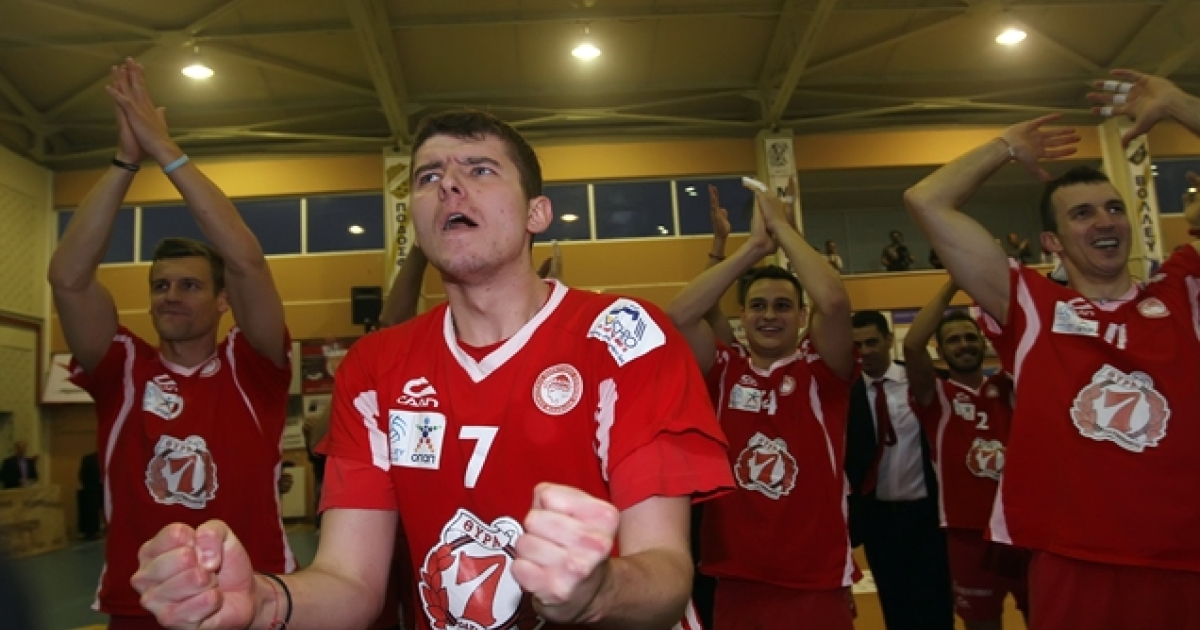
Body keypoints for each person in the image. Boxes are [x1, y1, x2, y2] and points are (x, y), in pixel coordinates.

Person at [131, 109, 734, 630]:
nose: (449, 185)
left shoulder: (624, 338)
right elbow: (351, 581)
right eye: (428, 177)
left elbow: (667, 574)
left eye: (480, 169)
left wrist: (597, 590)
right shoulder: (375, 368)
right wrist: (263, 600)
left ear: (537, 213)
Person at [902, 69, 1200, 629]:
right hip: (1070, 557)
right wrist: (1004, 147)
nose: (1104, 221)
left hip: (1185, 557)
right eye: (1082, 214)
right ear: (1052, 242)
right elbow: (926, 199)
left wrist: (1181, 105)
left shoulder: (1182, 291)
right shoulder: (1032, 304)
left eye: (1113, 208)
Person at [47, 58, 294, 628]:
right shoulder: (123, 368)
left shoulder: (252, 367)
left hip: (255, 597)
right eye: (160, 286)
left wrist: (166, 152)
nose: (171, 297)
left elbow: (247, 261)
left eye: (189, 285)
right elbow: (68, 279)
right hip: (143, 607)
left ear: (222, 299)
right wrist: (124, 161)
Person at [667, 180, 856, 628]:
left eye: (783, 306)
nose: (770, 315)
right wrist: (751, 249)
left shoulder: (821, 370)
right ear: (743, 316)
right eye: (758, 306)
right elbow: (678, 317)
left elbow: (833, 301)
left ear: (802, 317)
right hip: (737, 576)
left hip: (815, 577)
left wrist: (782, 228)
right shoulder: (725, 370)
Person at [902, 281, 1028, 630]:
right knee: (981, 623)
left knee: (1046, 616)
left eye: (970, 337)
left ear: (983, 343)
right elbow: (912, 345)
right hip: (967, 533)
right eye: (953, 340)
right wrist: (953, 285)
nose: (964, 344)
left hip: (1021, 527)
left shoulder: (1009, 387)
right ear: (941, 352)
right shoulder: (936, 396)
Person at [845, 310, 954, 630]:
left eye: (872, 342)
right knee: (896, 609)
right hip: (879, 520)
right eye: (857, 345)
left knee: (937, 606)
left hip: (927, 516)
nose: (865, 351)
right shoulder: (846, 394)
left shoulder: (925, 381)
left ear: (889, 340)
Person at [78, 451, 104, 540]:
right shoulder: (90, 459)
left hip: (99, 488)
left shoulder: (90, 459)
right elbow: (82, 474)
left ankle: (93, 532)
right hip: (93, 489)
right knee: (92, 511)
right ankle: (92, 532)